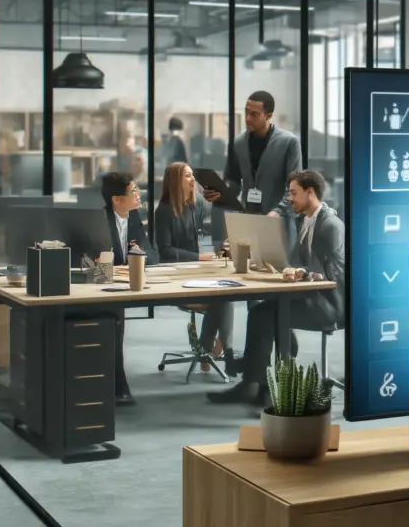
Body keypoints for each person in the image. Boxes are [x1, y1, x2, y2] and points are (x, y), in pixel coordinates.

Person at [208, 169, 344, 406]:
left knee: (266, 315)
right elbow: (298, 262)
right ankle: (258, 385)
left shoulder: (330, 225)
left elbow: (333, 275)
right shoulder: (304, 220)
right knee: (261, 312)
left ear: (310, 192)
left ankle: (258, 385)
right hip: (309, 295)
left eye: (294, 193)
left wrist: (301, 273)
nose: (289, 198)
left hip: (328, 303)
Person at [153, 162, 238, 376]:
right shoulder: (163, 211)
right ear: (176, 181)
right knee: (221, 299)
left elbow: (206, 231)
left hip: (200, 271)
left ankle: (211, 349)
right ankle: (217, 350)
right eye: (188, 176)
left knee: (224, 294)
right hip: (176, 275)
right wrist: (199, 257)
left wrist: (218, 251)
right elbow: (165, 252)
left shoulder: (197, 204)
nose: (193, 180)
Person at [202, 91, 302, 240]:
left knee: (281, 264)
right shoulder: (237, 143)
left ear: (268, 116)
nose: (248, 118)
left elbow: (295, 188)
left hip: (280, 223)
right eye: (246, 112)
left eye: (254, 114)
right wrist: (219, 193)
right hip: (248, 222)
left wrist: (278, 212)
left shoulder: (289, 143)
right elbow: (233, 182)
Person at [101, 171, 158, 405]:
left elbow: (149, 253)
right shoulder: (101, 220)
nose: (138, 195)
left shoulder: (133, 218)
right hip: (104, 285)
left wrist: (141, 256)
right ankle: (117, 385)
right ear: (116, 199)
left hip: (128, 282)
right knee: (114, 323)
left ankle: (118, 385)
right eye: (133, 191)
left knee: (117, 323)